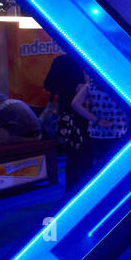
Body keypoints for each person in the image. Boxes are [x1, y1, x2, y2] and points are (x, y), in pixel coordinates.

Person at [43, 52, 90, 191]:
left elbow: (48, 85)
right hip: (85, 113)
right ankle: (85, 190)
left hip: (67, 112)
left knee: (73, 154)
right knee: (85, 153)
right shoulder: (89, 59)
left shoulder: (62, 60)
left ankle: (71, 192)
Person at [72, 73, 129, 173]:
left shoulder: (92, 84)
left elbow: (75, 104)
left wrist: (97, 120)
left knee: (102, 167)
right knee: (120, 168)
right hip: (120, 130)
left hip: (97, 131)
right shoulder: (121, 84)